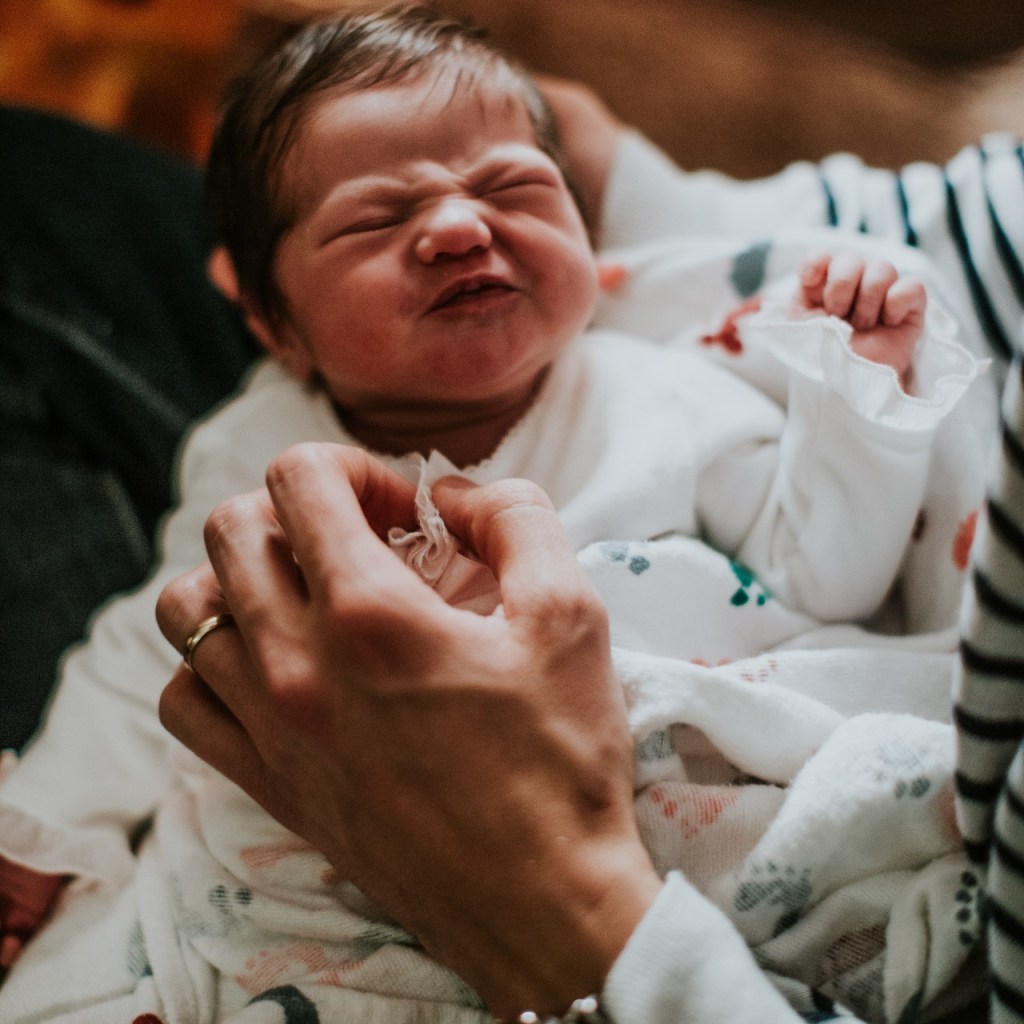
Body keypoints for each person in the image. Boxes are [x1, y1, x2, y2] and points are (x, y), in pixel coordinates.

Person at [0, 8, 993, 1023]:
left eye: (513, 187)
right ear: (270, 321)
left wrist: (852, 400)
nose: (460, 227)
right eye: (375, 220)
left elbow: (826, 573)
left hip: (654, 834)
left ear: (585, 229)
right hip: (319, 862)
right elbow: (151, 649)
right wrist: (39, 824)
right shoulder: (248, 447)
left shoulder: (662, 394)